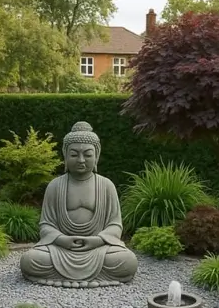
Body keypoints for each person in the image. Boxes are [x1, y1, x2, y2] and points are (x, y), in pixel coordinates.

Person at [19, 121, 138, 287]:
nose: (81, 160)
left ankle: (59, 278)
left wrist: (97, 240)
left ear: (96, 155)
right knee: (30, 260)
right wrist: (61, 240)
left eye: (87, 155)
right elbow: (46, 225)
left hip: (98, 249)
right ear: (65, 156)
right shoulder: (55, 185)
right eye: (74, 155)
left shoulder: (106, 186)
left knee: (128, 261)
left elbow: (115, 226)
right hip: (61, 249)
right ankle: (97, 279)